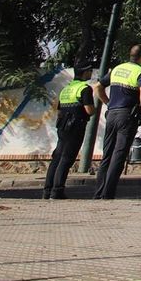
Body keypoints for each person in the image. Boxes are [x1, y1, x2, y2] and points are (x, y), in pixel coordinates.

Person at [92, 44, 141, 199]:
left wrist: (108, 102)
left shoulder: (117, 69)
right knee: (119, 154)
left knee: (107, 153)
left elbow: (97, 87)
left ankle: (98, 192)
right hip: (127, 115)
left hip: (111, 113)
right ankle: (108, 193)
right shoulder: (140, 72)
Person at [43, 65, 94, 200]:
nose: (91, 73)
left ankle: (47, 190)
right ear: (84, 73)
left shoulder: (66, 89)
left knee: (57, 157)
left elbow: (59, 110)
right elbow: (89, 110)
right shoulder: (84, 88)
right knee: (67, 158)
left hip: (62, 126)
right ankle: (57, 191)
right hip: (76, 126)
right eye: (89, 71)